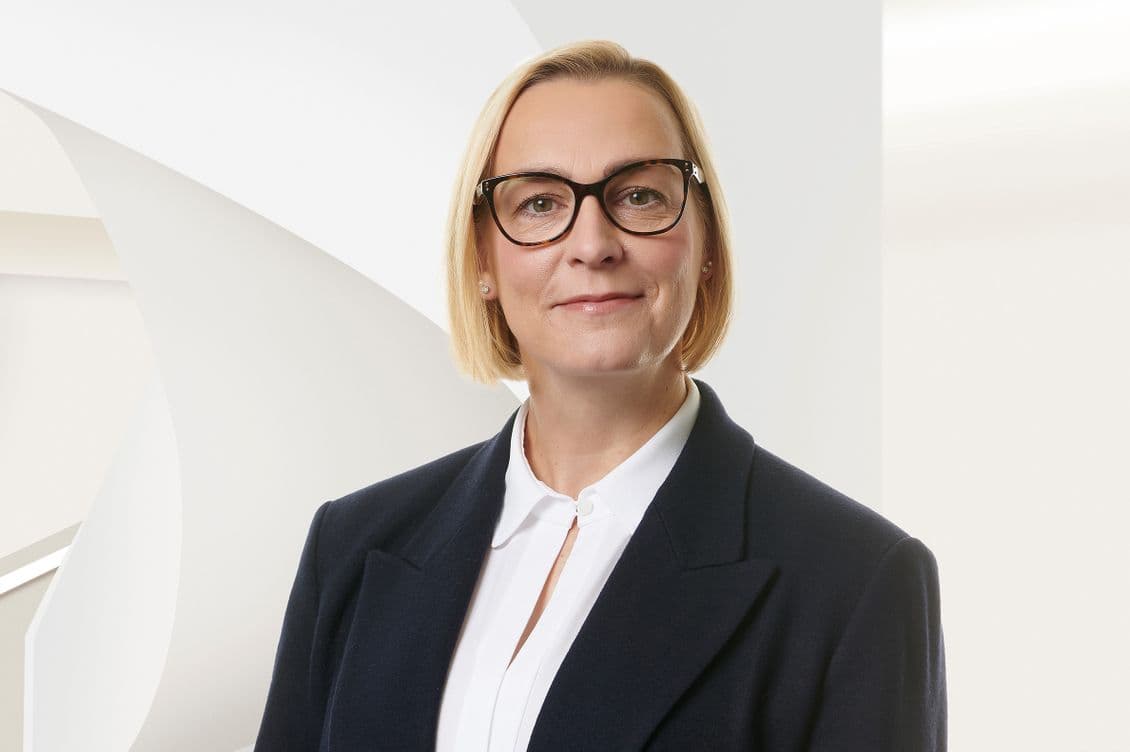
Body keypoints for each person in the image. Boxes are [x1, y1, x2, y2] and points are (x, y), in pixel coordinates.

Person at [254, 39, 946, 752]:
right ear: (483, 258)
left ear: (705, 243)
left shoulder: (855, 581)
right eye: (540, 202)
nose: (592, 243)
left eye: (639, 195)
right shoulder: (354, 546)